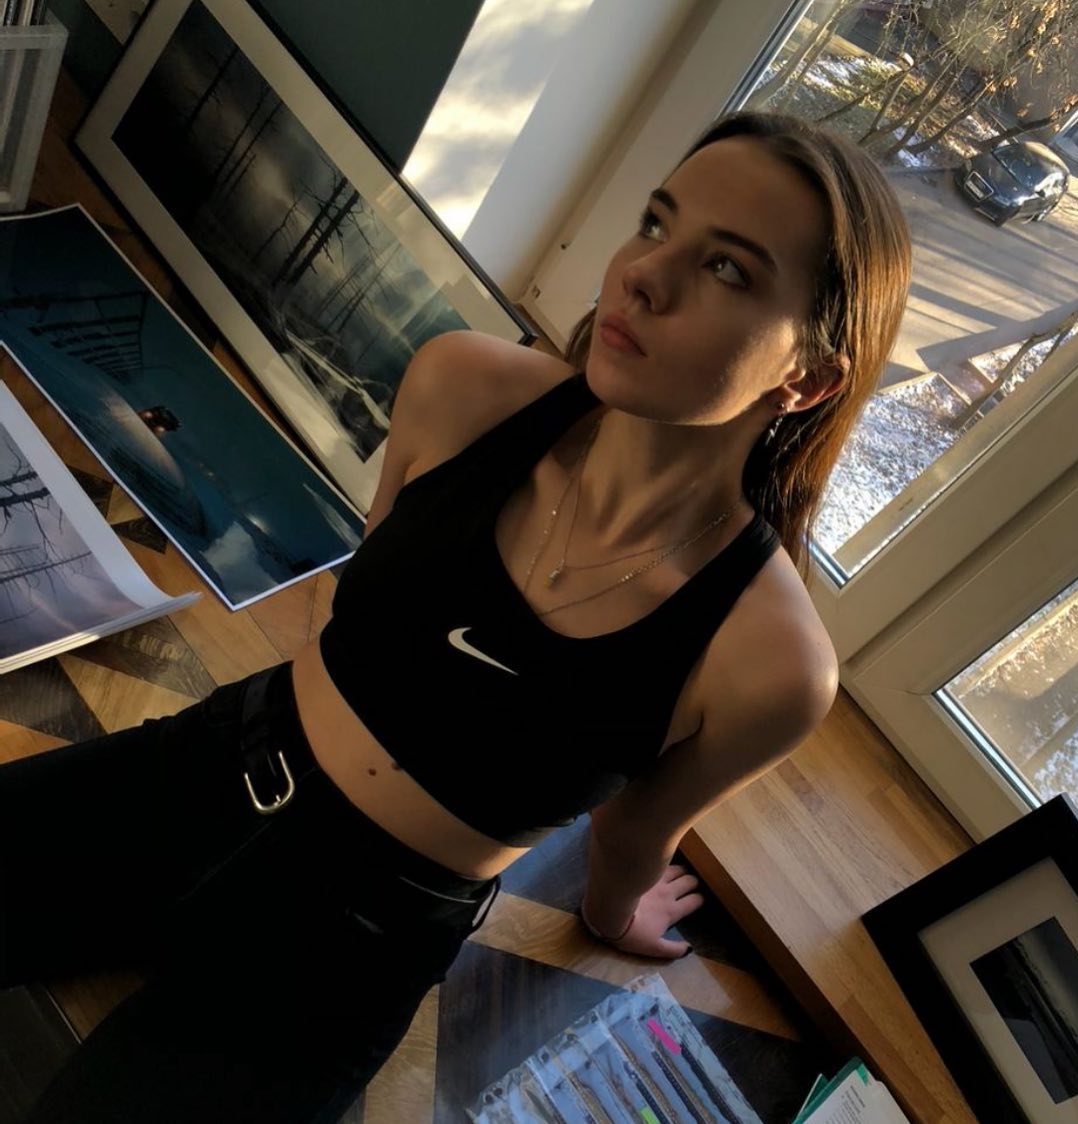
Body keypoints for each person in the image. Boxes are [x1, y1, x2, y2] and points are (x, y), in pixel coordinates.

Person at [0, 110, 910, 1122]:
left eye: (727, 268)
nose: (644, 275)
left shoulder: (772, 662)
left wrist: (614, 915)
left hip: (347, 944)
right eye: (655, 223)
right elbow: (374, 611)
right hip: (205, 769)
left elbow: (637, 829)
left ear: (807, 377)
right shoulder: (465, 386)